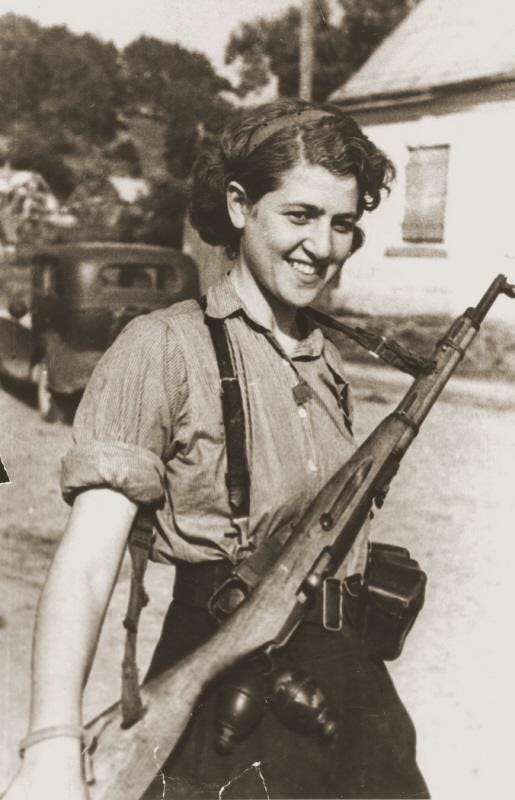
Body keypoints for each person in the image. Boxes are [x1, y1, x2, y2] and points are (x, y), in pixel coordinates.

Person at [6, 99, 429, 800]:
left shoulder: (324, 361)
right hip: (228, 701)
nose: (322, 247)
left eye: (342, 224)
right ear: (239, 205)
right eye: (299, 216)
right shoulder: (163, 348)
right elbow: (86, 564)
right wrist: (50, 742)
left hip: (350, 698)